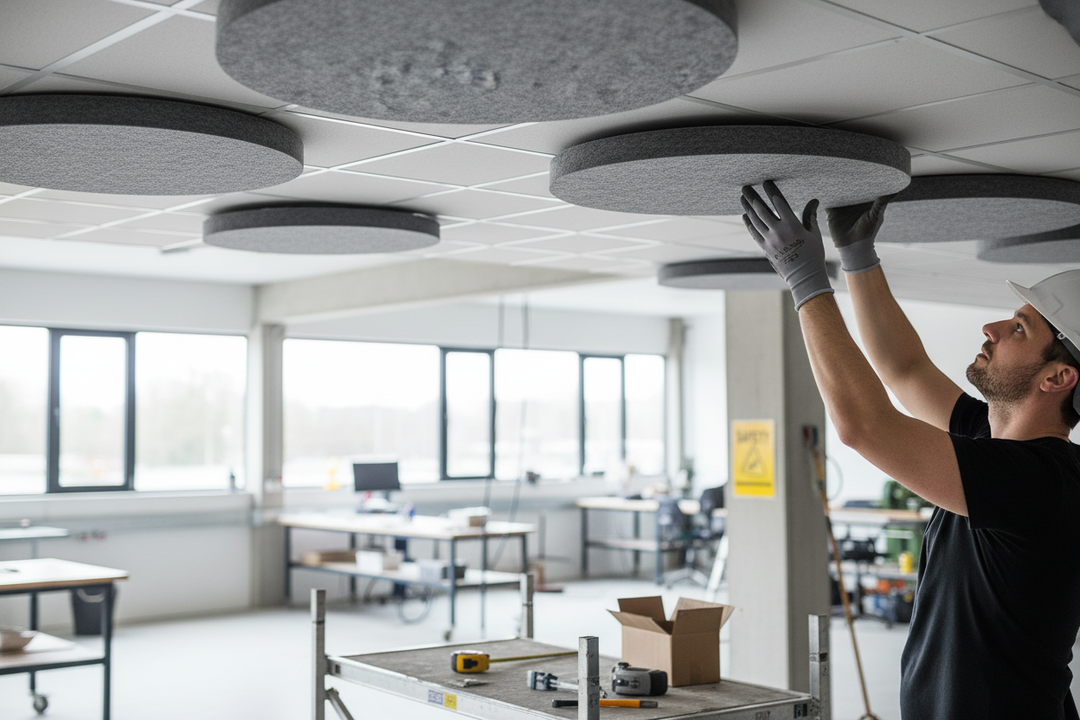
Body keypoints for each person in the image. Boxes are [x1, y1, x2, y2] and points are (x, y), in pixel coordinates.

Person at [740, 180, 1080, 720]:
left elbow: (864, 427)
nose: (991, 328)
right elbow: (904, 370)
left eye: (1019, 328)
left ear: (1058, 376)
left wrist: (805, 279)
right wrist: (857, 257)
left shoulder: (1044, 483)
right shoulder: (988, 439)